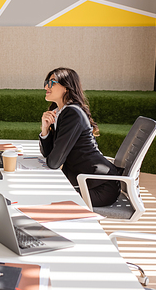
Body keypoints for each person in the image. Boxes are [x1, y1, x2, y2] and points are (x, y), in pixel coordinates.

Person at [39, 67, 121, 207]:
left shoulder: (72, 113)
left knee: (44, 198)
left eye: (52, 82)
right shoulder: (60, 113)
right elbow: (49, 155)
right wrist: (45, 129)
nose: (47, 86)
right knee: (41, 195)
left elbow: (54, 162)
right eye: (47, 82)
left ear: (66, 88)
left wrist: (53, 156)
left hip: (99, 187)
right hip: (87, 182)